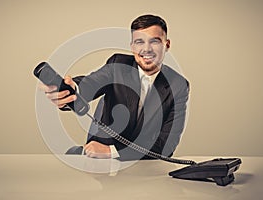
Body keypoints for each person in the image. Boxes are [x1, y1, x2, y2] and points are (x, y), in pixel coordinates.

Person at [40, 14, 189, 160]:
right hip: (100, 162)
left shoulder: (178, 85)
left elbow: (166, 146)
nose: (146, 49)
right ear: (132, 46)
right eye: (139, 42)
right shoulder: (118, 65)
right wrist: (70, 90)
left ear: (166, 45)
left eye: (154, 42)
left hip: (144, 167)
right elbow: (89, 84)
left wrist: (112, 152)